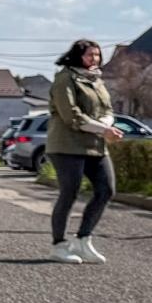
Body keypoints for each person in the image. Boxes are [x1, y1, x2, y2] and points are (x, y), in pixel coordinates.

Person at [47, 39, 122, 263]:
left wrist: (107, 125)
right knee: (70, 192)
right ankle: (59, 245)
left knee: (106, 190)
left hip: (94, 145)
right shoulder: (65, 78)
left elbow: (107, 108)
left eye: (97, 55)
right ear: (77, 56)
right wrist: (104, 129)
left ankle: (83, 240)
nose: (94, 59)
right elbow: (71, 115)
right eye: (90, 55)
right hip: (67, 144)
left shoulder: (96, 80)